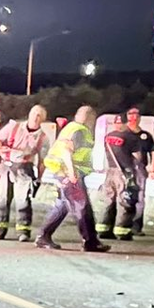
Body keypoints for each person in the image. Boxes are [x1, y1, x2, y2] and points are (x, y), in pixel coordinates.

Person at [37, 106, 107, 251]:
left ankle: (43, 236)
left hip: (61, 171)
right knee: (82, 207)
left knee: (62, 206)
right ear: (91, 118)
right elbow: (66, 151)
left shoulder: (71, 127)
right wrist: (71, 172)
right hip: (69, 173)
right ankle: (90, 242)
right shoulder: (80, 131)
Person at [0, 103, 50, 240]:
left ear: (43, 119)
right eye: (34, 114)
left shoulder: (43, 138)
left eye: (39, 116)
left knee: (23, 201)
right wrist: (0, 149)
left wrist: (39, 178)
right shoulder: (14, 126)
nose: (36, 118)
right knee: (1, 199)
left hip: (24, 168)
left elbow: (42, 161)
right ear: (29, 115)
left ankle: (23, 231)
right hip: (6, 165)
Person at [99, 106, 154, 242]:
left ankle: (104, 229)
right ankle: (123, 230)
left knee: (109, 201)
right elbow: (137, 157)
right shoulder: (131, 137)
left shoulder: (108, 136)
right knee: (127, 200)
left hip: (110, 172)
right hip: (125, 172)